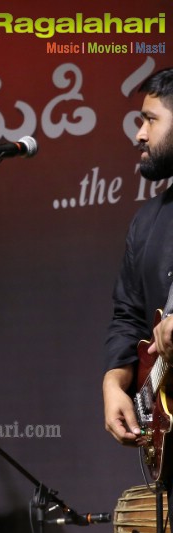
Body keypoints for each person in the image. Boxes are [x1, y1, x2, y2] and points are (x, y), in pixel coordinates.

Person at [105, 66, 173, 445]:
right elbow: (127, 315)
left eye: (150, 120)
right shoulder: (146, 221)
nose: (139, 134)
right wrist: (114, 381)